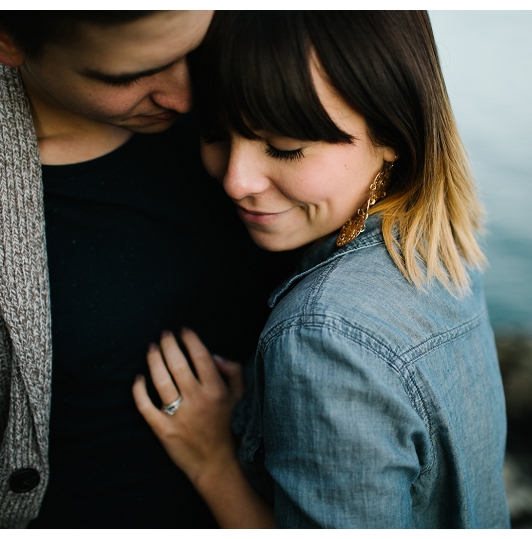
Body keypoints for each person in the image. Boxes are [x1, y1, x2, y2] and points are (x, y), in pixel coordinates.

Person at [132, 11, 510, 529]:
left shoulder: (323, 337)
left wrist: (211, 460)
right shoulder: (443, 249)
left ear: (392, 130)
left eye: (284, 148)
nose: (236, 181)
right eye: (215, 133)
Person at [0, 10, 295, 528]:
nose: (187, 98)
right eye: (127, 76)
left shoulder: (267, 72)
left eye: (194, 47)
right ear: (0, 34)